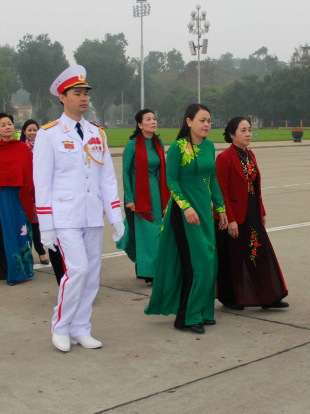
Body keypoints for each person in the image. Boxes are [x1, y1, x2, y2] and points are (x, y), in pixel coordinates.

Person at [33, 64, 125, 353]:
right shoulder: (49, 134)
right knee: (77, 270)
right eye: (77, 93)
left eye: (86, 93)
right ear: (63, 97)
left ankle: (81, 327)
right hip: (64, 217)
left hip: (91, 215)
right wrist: (45, 227)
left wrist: (116, 217)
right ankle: (60, 326)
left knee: (92, 275)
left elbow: (107, 178)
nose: (83, 98)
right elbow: (42, 184)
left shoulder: (96, 132)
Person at [145, 103, 228, 335]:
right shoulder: (178, 148)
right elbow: (171, 181)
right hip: (184, 214)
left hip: (203, 211)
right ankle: (187, 317)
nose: (206, 125)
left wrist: (220, 208)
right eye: (202, 120)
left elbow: (212, 180)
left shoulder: (210, 146)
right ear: (189, 121)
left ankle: (203, 312)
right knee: (198, 264)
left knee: (210, 263)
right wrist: (186, 207)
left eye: (209, 121)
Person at [215, 116, 288, 310]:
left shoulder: (250, 155)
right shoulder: (224, 158)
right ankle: (231, 298)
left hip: (252, 211)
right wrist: (230, 220)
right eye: (243, 130)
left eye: (249, 130)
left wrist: (261, 211)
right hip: (234, 215)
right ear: (232, 134)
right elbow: (221, 191)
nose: (248, 134)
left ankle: (268, 296)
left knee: (258, 252)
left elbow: (255, 187)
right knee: (234, 257)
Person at [0, 112, 36, 286]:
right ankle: (7, 270)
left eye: (10, 124)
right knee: (3, 231)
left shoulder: (22, 149)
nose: (7, 127)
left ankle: (23, 269)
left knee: (21, 231)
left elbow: (29, 174)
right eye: (3, 125)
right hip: (1, 196)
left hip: (19, 196)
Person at [117, 108, 169, 283]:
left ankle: (155, 268)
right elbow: (125, 172)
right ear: (140, 125)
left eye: (154, 119)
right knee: (145, 233)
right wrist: (130, 199)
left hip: (157, 192)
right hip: (139, 194)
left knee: (158, 232)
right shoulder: (132, 145)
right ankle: (149, 271)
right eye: (148, 119)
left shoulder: (158, 144)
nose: (153, 122)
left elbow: (163, 170)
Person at [20, 118, 51, 267]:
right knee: (27, 222)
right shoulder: (20, 148)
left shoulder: (43, 146)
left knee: (38, 221)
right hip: (26, 189)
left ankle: (41, 250)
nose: (32, 133)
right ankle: (31, 252)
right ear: (24, 132)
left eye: (34, 129)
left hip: (41, 188)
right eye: (29, 130)